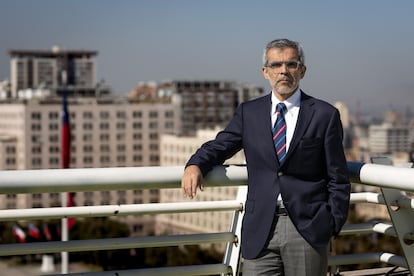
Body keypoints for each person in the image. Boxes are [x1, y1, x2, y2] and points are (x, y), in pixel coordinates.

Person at [181, 38, 350, 276]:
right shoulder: (249, 112)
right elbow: (221, 145)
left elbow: (338, 176)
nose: (283, 71)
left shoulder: (324, 114)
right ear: (265, 72)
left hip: (308, 228)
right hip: (260, 226)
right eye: (276, 65)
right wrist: (195, 164)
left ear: (302, 70)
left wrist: (331, 224)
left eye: (291, 64)